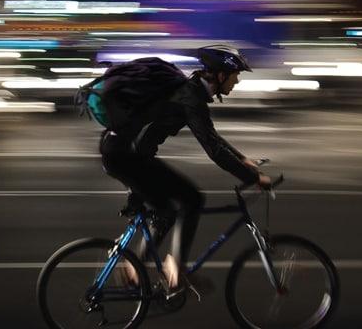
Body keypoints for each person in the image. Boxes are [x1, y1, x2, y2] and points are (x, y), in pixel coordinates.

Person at [99, 45, 272, 293]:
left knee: (166, 210)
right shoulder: (190, 97)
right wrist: (254, 177)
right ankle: (174, 271)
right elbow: (213, 151)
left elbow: (212, 138)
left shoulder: (189, 93)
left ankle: (135, 268)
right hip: (125, 156)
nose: (237, 82)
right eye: (235, 76)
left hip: (123, 153)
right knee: (191, 198)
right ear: (221, 75)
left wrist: (243, 159)